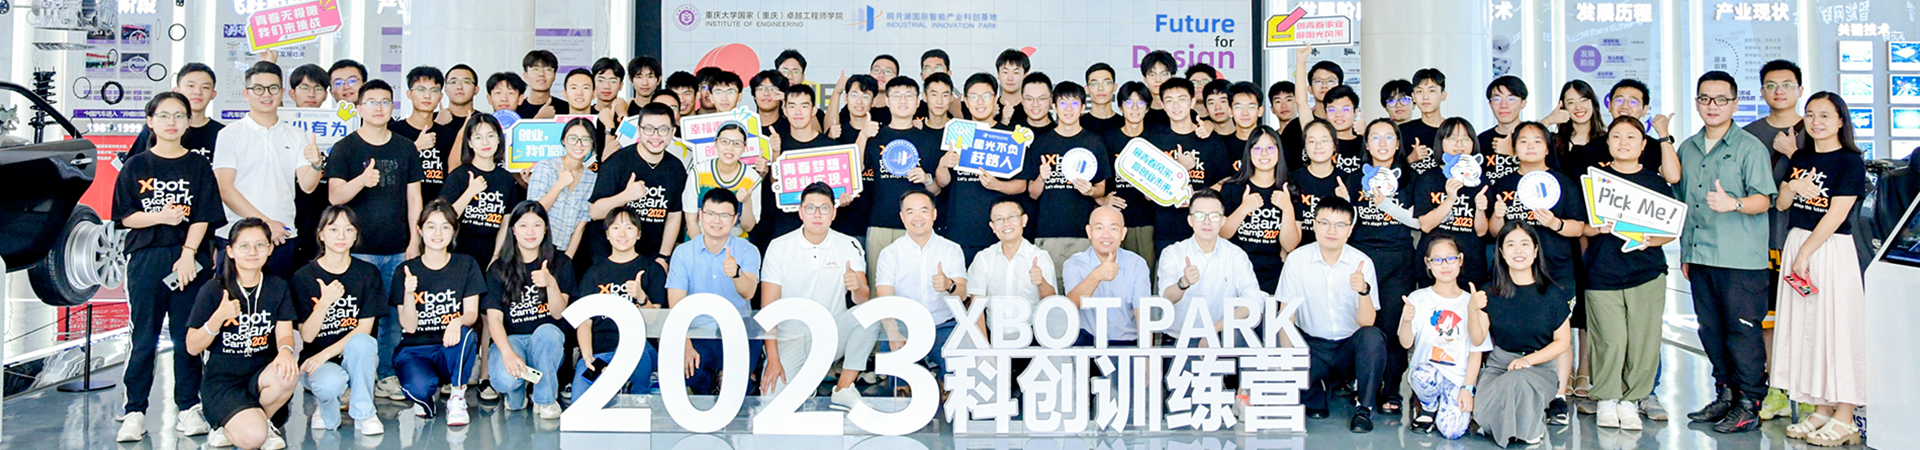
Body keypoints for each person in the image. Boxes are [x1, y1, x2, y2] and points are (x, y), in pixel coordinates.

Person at [114, 92, 222, 442]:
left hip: (188, 260)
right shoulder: (136, 165)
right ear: (150, 121)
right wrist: (160, 216)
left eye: (179, 115)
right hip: (146, 258)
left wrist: (189, 253)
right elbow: (126, 217)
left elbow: (204, 214)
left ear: (189, 122)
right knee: (143, 336)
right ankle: (134, 410)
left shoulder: (198, 166)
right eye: (163, 115)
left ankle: (188, 407)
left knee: (185, 336)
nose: (171, 122)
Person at [1677, 70, 1777, 434]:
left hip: (1740, 260)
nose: (1713, 106)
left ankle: (1749, 404)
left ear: (1734, 104)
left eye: (1721, 99)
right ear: (1697, 103)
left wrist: (1733, 203)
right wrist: (1686, 253)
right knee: (1711, 330)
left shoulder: (1750, 147)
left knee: (1742, 333)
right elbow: (1681, 203)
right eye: (1705, 98)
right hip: (1700, 257)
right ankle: (1726, 394)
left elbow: (1764, 199)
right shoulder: (1688, 148)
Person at [1773, 91, 1868, 447]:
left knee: (1837, 328)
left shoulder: (1850, 162)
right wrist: (1791, 185)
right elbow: (1782, 204)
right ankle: (1821, 408)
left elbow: (1837, 214)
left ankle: (1846, 415)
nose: (1816, 122)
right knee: (1809, 329)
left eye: (1825, 115)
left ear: (1841, 121)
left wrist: (1805, 254)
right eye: (1810, 115)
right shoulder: (1801, 157)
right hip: (1798, 241)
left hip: (1829, 248)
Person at [1486, 121, 1588, 424]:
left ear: (1547, 148)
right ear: (1514, 148)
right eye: (1523, 141)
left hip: (1556, 270)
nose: (1530, 146)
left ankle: (1558, 397)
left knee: (1560, 332)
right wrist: (1497, 216)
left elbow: (1579, 227)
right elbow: (1494, 232)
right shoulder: (1503, 184)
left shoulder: (1562, 183)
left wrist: (1554, 223)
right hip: (1514, 274)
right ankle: (1513, 386)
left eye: (1537, 141)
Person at [1581, 119, 1676, 431]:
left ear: (1643, 145)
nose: (1623, 142)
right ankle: (1607, 399)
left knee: (1643, 341)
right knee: (1609, 340)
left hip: (1646, 272)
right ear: (1608, 143)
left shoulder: (1655, 183)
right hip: (1602, 273)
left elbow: (1670, 230)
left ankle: (1631, 400)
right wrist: (1597, 228)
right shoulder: (1595, 182)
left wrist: (1649, 239)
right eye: (1617, 136)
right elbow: (1582, 228)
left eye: (1631, 137)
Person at [758, 183, 878, 410]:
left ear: (833, 213)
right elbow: (769, 310)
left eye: (824, 208)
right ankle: (806, 380)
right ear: (800, 212)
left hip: (831, 335)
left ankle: (843, 387)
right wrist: (773, 359)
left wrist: (856, 287)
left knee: (870, 314)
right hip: (790, 338)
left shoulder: (848, 245)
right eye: (810, 208)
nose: (817, 214)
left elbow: (863, 299)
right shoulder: (779, 246)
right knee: (771, 404)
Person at [183, 218, 298, 450]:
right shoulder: (213, 290)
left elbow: (285, 335)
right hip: (223, 382)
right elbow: (192, 346)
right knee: (253, 439)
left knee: (288, 373)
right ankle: (229, 425)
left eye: (260, 245)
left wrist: (286, 351)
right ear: (230, 251)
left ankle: (263, 422)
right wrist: (218, 318)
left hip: (261, 377)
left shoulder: (278, 287)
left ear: (270, 249)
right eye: (244, 246)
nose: (252, 252)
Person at [1277, 196, 1385, 433]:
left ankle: (1364, 408)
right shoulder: (1297, 260)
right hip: (1312, 347)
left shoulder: (1362, 262)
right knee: (1307, 402)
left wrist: (1363, 291)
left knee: (1373, 337)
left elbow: (1367, 323)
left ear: (1350, 230)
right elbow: (1286, 318)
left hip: (1348, 348)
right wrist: (1287, 363)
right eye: (1325, 223)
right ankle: (1319, 389)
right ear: (1314, 225)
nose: (1331, 231)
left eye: (1340, 225)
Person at [214, 61, 325, 281]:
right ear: (246, 94)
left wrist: (316, 164)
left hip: (282, 236)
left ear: (282, 93)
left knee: (278, 299)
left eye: (273, 88)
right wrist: (265, 224)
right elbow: (224, 189)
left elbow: (308, 185)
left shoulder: (296, 135)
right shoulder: (230, 134)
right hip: (238, 238)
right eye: (258, 88)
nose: (266, 94)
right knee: (232, 299)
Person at [1741, 60, 1805, 421]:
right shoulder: (1749, 134)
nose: (1779, 91)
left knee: (1804, 316)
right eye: (1770, 85)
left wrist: (1795, 153)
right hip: (1760, 239)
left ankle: (1806, 389)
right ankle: (1776, 388)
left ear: (1799, 89)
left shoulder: (1815, 130)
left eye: (1787, 84)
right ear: (1762, 91)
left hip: (1803, 238)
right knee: (1767, 318)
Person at [1473, 223, 1574, 447]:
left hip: (1539, 368)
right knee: (1481, 412)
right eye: (1510, 245)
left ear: (1535, 251)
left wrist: (1528, 361)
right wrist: (1473, 309)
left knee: (1518, 380)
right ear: (1501, 252)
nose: (1518, 250)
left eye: (1525, 244)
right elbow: (1477, 339)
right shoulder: (1489, 291)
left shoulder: (1553, 293)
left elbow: (1563, 342)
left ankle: (1527, 427)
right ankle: (1524, 421)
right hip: (1499, 367)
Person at [289, 206, 384, 434]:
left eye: (348, 230)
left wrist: (325, 354)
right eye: (333, 229)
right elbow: (307, 336)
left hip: (353, 357)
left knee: (363, 342)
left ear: (356, 235)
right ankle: (325, 405)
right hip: (317, 364)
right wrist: (324, 303)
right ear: (321, 234)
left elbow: (364, 329)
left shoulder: (368, 273)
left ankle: (364, 413)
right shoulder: (303, 277)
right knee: (330, 387)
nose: (341, 236)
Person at [391, 201, 484, 425]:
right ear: (420, 230)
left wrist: (456, 322)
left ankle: (457, 397)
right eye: (431, 227)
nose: (438, 233)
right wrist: (409, 293)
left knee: (467, 334)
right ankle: (425, 398)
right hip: (415, 349)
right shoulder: (406, 270)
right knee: (419, 388)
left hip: (449, 347)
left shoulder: (466, 264)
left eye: (445, 227)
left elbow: (472, 314)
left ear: (453, 231)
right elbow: (409, 326)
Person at [1352, 118, 1422, 415]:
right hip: (1362, 257)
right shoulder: (1354, 177)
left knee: (1393, 326)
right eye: (1375, 138)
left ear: (1398, 143)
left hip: (1398, 258)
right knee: (1364, 325)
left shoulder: (1412, 178)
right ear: (1366, 144)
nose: (1382, 143)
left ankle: (1391, 389)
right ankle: (1364, 387)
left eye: (1389, 137)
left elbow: (1418, 220)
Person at [666, 188, 764, 394]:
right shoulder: (683, 252)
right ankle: (711, 383)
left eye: (725, 215)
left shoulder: (748, 250)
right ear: (700, 215)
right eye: (711, 213)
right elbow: (676, 304)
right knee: (691, 374)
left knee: (737, 388)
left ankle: (735, 381)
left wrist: (736, 273)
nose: (717, 220)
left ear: (735, 219)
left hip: (737, 331)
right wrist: (685, 343)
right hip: (697, 333)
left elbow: (749, 293)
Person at [485, 201, 574, 420]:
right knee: (505, 380)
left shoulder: (561, 262)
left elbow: (558, 314)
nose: (530, 232)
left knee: (548, 333)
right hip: (512, 340)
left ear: (545, 229)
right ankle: (517, 391)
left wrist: (551, 284)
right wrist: (507, 353)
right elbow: (494, 320)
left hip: (546, 343)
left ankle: (545, 400)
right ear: (513, 230)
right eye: (523, 225)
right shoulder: (498, 268)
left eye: (537, 225)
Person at [1397, 235, 1490, 439]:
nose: (1445, 265)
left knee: (1452, 432)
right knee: (1422, 375)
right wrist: (1407, 320)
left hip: (1458, 378)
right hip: (1428, 373)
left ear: (1460, 260)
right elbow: (1405, 342)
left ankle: (1446, 404)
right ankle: (1429, 406)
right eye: (1437, 260)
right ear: (1428, 263)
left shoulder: (1471, 301)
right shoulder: (1418, 298)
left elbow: (1476, 351)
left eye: (1450, 258)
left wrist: (1467, 388)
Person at [938, 74, 1035, 259]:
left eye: (986, 96)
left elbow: (1022, 185)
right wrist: (943, 165)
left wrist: (997, 185)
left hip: (999, 233)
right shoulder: (957, 132)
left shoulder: (1012, 137)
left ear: (996, 98)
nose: (980, 102)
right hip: (960, 230)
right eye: (974, 96)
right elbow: (942, 182)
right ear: (966, 101)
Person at [573, 207, 666, 397]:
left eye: (629, 228)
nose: (622, 234)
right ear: (607, 234)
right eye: (616, 228)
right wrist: (587, 355)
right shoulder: (594, 273)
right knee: (580, 397)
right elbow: (584, 321)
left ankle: (640, 389)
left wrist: (641, 297)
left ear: (638, 234)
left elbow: (653, 321)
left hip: (639, 348)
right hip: (601, 350)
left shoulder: (652, 269)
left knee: (639, 361)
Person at [1156, 188, 1265, 349]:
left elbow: (1254, 301)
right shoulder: (1173, 252)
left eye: (1214, 216)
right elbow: (1166, 298)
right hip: (1178, 339)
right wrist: (1183, 283)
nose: (1206, 222)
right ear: (1190, 220)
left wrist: (1213, 329)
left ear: (1223, 221)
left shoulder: (1236, 255)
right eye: (1199, 216)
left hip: (1221, 337)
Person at [874, 190, 968, 373]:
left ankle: (940, 378)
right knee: (899, 384)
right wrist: (893, 332)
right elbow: (884, 299)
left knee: (957, 378)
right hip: (905, 327)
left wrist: (949, 285)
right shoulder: (890, 253)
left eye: (923, 210)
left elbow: (963, 294)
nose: (917, 217)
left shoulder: (951, 249)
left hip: (943, 325)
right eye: (910, 212)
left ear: (934, 214)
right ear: (902, 217)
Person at [862, 78, 945, 277]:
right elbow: (856, 169)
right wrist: (863, 135)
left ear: (917, 102)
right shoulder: (875, 137)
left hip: (917, 225)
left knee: (915, 283)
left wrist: (926, 179)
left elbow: (936, 189)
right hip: (880, 222)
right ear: (887, 101)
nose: (903, 100)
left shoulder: (928, 140)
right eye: (897, 96)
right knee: (878, 284)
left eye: (909, 96)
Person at [589, 103, 686, 267]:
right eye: (649, 129)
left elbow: (674, 215)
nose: (655, 136)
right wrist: (626, 196)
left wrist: (663, 257)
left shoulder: (676, 168)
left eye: (663, 130)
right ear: (639, 130)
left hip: (651, 259)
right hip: (610, 258)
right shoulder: (617, 163)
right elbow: (595, 212)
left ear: (672, 132)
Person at [1028, 82, 1110, 273]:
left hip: (1084, 232)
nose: (1068, 109)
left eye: (1074, 103)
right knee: (1049, 288)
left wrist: (1091, 191)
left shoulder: (1094, 142)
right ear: (1054, 107)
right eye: (1063, 104)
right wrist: (1041, 178)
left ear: (1083, 108)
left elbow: (1101, 189)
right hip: (1049, 232)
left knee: (1085, 286)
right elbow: (1032, 193)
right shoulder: (1041, 143)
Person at [1412, 118, 1492, 286]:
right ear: (1441, 142)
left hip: (1471, 262)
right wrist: (1449, 200)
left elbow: (1481, 231)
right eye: (1452, 138)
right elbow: (1425, 225)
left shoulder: (1480, 180)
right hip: (1435, 262)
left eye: (1465, 139)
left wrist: (1480, 209)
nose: (1459, 144)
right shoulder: (1427, 178)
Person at [1219, 126, 1299, 293]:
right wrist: (1244, 209)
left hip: (1273, 274)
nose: (1264, 154)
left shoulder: (1289, 190)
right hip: (1235, 271)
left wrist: (1287, 208)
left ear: (1279, 151)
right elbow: (1222, 234)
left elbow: (1290, 245)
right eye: (1257, 148)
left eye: (1270, 148)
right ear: (1249, 153)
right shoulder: (1232, 188)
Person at [966, 198, 1059, 340]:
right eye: (999, 219)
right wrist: (984, 347)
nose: (1006, 223)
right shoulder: (983, 258)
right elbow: (976, 307)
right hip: (994, 335)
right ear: (992, 226)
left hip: (1033, 336)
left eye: (1012, 217)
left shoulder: (1040, 257)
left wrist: (1041, 282)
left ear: (1024, 220)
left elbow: (1051, 303)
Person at [441, 113, 526, 265]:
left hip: (491, 256)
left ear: (499, 139)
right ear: (470, 143)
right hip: (459, 255)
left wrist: (496, 256)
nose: (485, 142)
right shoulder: (459, 175)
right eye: (478, 137)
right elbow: (444, 218)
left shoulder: (506, 179)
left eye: (490, 136)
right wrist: (470, 192)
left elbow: (505, 222)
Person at [1063, 206, 1149, 347]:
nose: (1106, 235)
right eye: (1099, 228)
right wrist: (1096, 275)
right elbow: (1071, 305)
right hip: (1087, 342)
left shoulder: (1136, 264)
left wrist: (1147, 356)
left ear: (1123, 233)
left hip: (1126, 343)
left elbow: (1142, 314)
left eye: (1113, 229)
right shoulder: (1075, 263)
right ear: (1089, 232)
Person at [1099, 81, 1164, 266]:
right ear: (1120, 107)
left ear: (1147, 108)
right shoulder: (1107, 139)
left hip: (1147, 220)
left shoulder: (1157, 138)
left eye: (1140, 103)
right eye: (1128, 103)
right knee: (1113, 272)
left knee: (1145, 272)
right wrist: (1102, 200)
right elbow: (1097, 180)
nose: (1134, 108)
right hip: (1115, 219)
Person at [528, 118, 602, 255]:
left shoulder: (592, 178)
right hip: (537, 246)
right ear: (563, 141)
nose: (579, 144)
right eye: (573, 138)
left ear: (592, 144)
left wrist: (568, 258)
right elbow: (534, 211)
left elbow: (581, 224)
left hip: (564, 251)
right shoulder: (546, 166)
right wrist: (559, 185)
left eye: (586, 139)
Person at [127, 63, 224, 159]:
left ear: (213, 94)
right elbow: (134, 165)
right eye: (191, 86)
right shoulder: (156, 128)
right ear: (176, 91)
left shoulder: (222, 133)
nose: (197, 92)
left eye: (205, 87)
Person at [682, 122, 762, 238]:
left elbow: (748, 227)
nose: (730, 148)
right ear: (716, 142)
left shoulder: (752, 178)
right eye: (724, 141)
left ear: (744, 147)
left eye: (737, 143)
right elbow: (691, 221)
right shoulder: (698, 172)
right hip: (698, 240)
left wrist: (746, 201)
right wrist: (702, 247)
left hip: (735, 243)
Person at [1288, 119, 1360, 247]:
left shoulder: (1348, 180)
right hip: (1301, 251)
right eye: (1311, 141)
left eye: (1324, 141)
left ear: (1334, 145)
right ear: (1304, 146)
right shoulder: (1293, 180)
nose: (1318, 146)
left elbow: (1355, 225)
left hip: (1337, 250)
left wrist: (1346, 200)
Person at [391, 66, 457, 203]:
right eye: (421, 90)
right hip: (400, 206)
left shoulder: (448, 136)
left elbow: (453, 177)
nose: (427, 96)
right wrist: (415, 148)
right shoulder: (393, 131)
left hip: (436, 209)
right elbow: (388, 171)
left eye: (434, 91)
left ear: (440, 97)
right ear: (409, 94)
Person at [1543, 80, 1609, 178]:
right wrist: (1548, 120)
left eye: (1583, 100)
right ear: (1563, 107)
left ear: (1593, 103)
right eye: (1571, 102)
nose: (1578, 107)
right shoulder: (1555, 142)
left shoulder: (1607, 141)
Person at [1479, 77, 1530, 169]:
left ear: (1523, 103)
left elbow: (1549, 174)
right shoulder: (1481, 141)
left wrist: (1511, 153)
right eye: (1497, 99)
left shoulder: (1536, 138)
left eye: (1511, 99)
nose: (1503, 105)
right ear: (1490, 104)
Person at [1401, 69, 1448, 163]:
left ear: (1443, 95)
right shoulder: (1403, 131)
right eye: (1419, 91)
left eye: (1431, 91)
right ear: (1413, 97)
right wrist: (1411, 159)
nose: (1425, 97)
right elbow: (1392, 168)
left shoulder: (1453, 130)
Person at [518, 50, 568, 118]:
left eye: (548, 69)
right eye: (535, 69)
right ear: (525, 75)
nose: (541, 74)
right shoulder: (516, 110)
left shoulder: (566, 109)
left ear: (554, 76)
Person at [1082, 63, 1124, 134]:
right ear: (1087, 89)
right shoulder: (1078, 125)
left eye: (1106, 83)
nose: (1100, 88)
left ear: (1114, 87)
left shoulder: (1125, 125)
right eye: (1094, 84)